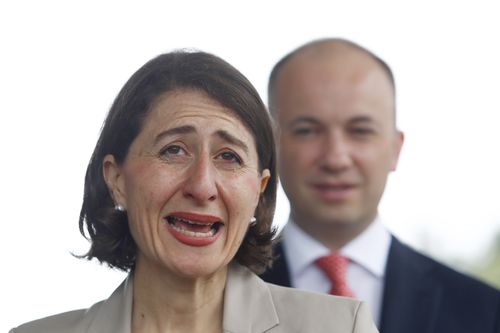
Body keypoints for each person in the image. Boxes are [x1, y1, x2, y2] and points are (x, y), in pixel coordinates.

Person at [11, 50, 379, 333]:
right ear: (117, 180)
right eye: (174, 150)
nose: (202, 186)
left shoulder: (341, 327)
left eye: (229, 157)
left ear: (259, 191)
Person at [260, 38, 500, 333]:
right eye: (307, 130)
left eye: (360, 131)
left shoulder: (484, 312)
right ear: (270, 147)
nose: (336, 158)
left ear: (395, 149)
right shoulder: (211, 295)